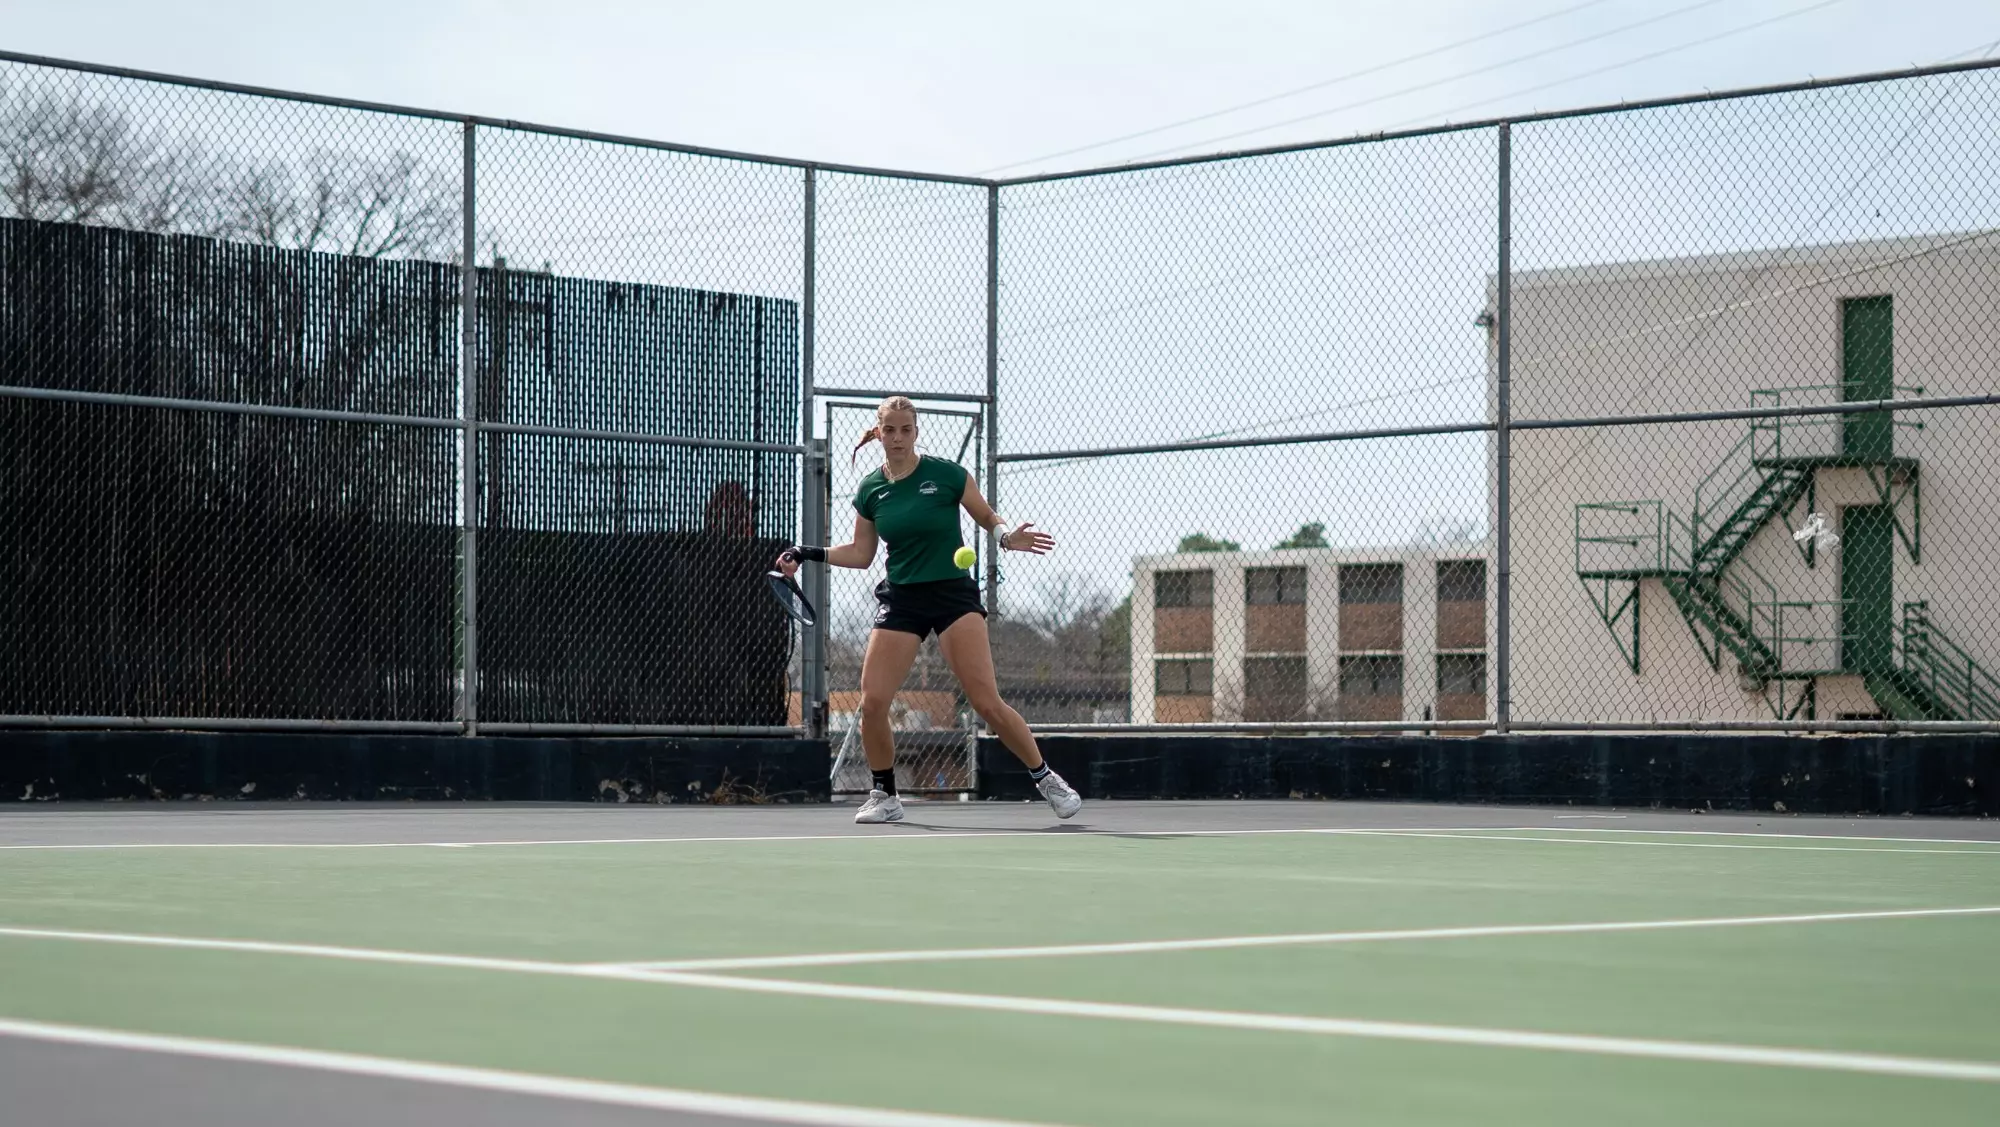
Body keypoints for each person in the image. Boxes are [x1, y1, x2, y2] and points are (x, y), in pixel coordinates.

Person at [777, 395, 1082, 824]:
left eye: (906, 429)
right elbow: (862, 554)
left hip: (953, 596)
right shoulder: (870, 489)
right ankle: (885, 795)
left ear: (916, 432)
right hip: (902, 598)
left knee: (986, 701)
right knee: (873, 701)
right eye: (890, 430)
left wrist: (1007, 537)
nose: (898, 437)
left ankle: (1047, 778)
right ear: (879, 432)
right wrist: (807, 552)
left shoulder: (948, 475)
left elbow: (988, 518)